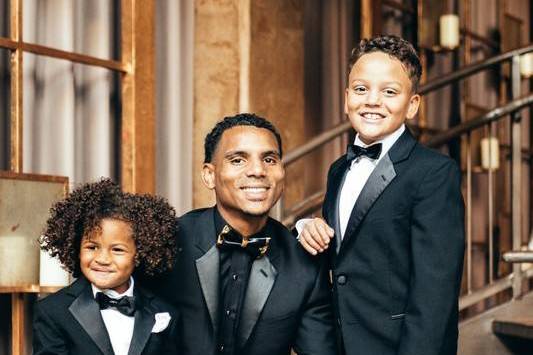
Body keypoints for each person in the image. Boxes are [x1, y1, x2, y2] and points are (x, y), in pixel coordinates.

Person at [297, 35, 465, 355]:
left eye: (389, 91)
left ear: (412, 104)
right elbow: (350, 258)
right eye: (361, 89)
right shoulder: (337, 171)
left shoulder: (434, 174)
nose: (372, 100)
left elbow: (434, 296)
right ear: (346, 98)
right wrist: (306, 228)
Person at [146, 113, 337, 355]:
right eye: (238, 160)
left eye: (269, 159)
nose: (258, 170)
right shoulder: (168, 242)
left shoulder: (304, 264)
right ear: (209, 175)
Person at [33, 178, 181, 355]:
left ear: (141, 253)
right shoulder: (53, 312)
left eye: (117, 250)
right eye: (92, 247)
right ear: (76, 248)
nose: (102, 259)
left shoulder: (164, 310)